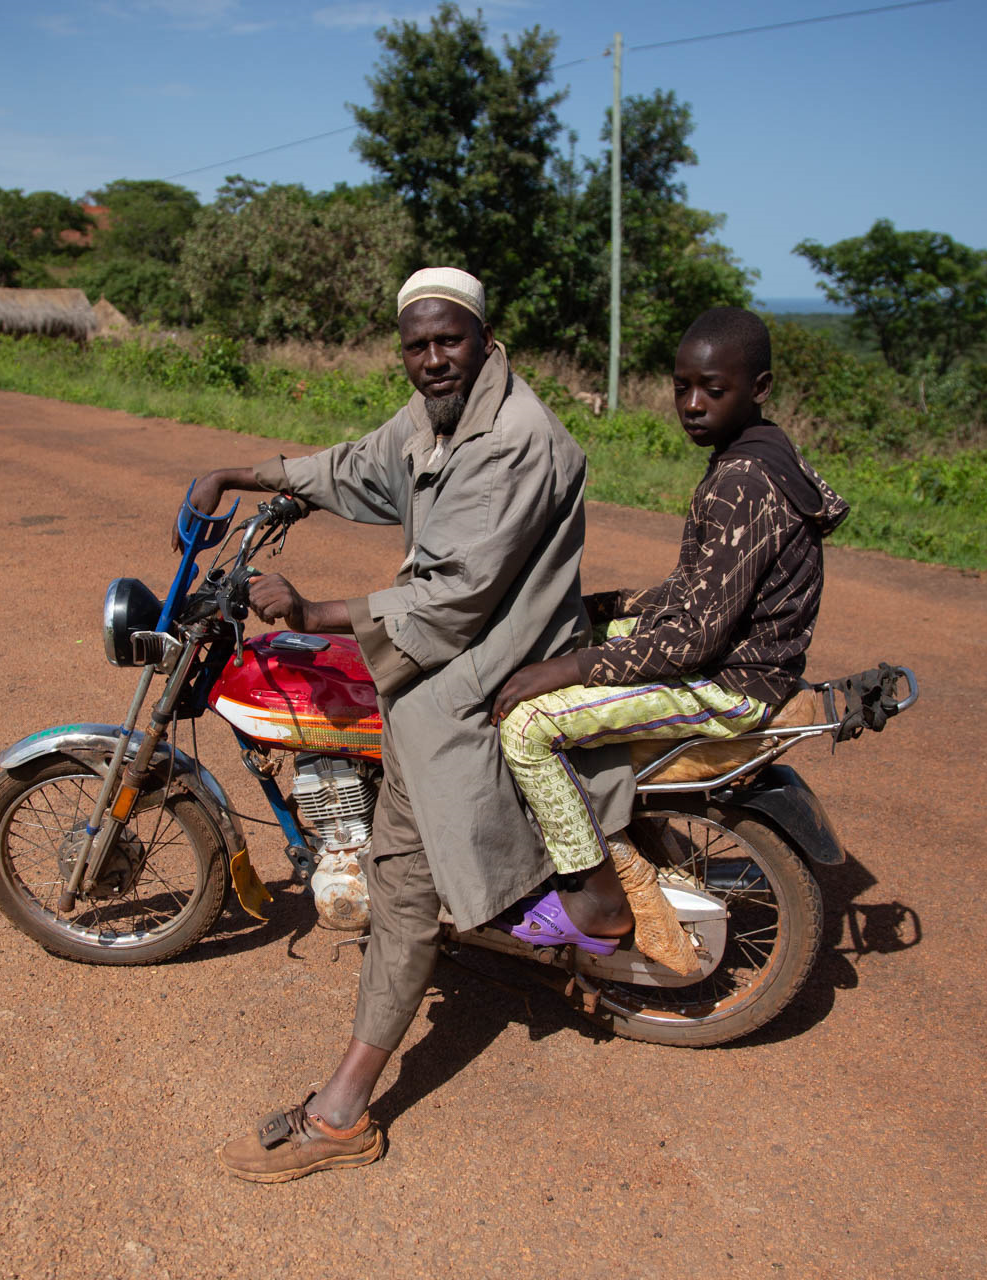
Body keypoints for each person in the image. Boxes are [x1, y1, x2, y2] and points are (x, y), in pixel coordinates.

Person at [185, 267, 634, 1183]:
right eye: (417, 345)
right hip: (448, 661)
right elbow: (359, 464)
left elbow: (452, 598)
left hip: (480, 671)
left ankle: (344, 1111)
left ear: (482, 336)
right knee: (396, 870)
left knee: (404, 876)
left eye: (448, 341)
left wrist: (311, 613)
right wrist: (248, 472)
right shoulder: (439, 412)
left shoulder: (512, 439)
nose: (432, 359)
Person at [491, 307, 850, 973]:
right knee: (586, 636)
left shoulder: (741, 482)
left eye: (713, 390)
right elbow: (702, 588)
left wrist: (574, 661)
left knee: (524, 728)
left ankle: (598, 894)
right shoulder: (763, 456)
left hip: (729, 686)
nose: (691, 404)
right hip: (750, 662)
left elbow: (693, 638)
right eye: (681, 386)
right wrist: (609, 608)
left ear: (759, 386)